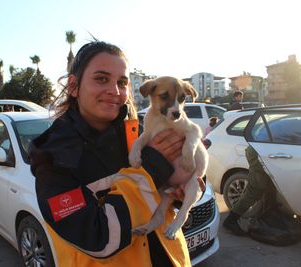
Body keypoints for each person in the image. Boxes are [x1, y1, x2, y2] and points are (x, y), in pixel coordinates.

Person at [29, 41, 199, 267]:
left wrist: (184, 187)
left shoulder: (139, 132)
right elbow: (96, 238)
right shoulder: (53, 157)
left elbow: (172, 186)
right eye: (101, 79)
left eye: (122, 82)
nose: (115, 91)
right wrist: (154, 168)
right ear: (73, 86)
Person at [223, 146, 277, 235]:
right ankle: (231, 221)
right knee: (255, 189)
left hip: (261, 150)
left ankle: (265, 219)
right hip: (258, 151)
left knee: (269, 188)